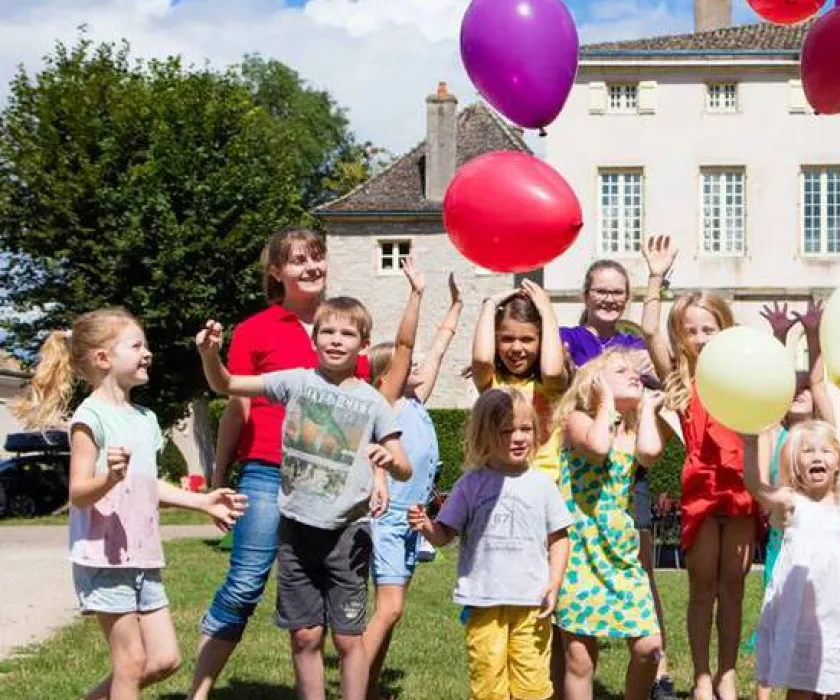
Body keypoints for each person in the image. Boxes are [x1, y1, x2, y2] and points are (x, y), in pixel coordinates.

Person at [13, 308, 246, 700]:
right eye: (136, 345)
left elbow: (148, 484)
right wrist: (109, 479)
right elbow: (78, 492)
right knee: (131, 662)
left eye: (147, 345)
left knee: (165, 660)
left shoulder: (144, 418)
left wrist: (202, 501)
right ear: (103, 358)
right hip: (103, 559)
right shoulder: (91, 418)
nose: (148, 353)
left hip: (142, 555)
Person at [196, 297, 413, 700]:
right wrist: (211, 356)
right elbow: (226, 384)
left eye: (347, 333)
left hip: (348, 537)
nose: (336, 340)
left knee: (349, 641)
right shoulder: (295, 381)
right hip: (295, 531)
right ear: (315, 340)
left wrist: (389, 461)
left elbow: (404, 464)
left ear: (363, 345)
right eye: (327, 332)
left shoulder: (373, 402)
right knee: (305, 636)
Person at [189, 228, 370, 700]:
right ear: (276, 272)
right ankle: (200, 689)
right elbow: (235, 403)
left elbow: (362, 417)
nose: (311, 267)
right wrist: (216, 481)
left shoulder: (345, 331)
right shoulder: (255, 330)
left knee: (332, 602)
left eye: (317, 257)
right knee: (246, 581)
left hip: (329, 486)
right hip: (268, 472)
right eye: (297, 261)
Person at [640, 234, 752, 700]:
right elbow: (648, 331)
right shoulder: (678, 377)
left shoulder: (746, 371)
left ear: (725, 329)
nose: (701, 338)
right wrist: (654, 277)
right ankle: (702, 675)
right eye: (692, 331)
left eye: (710, 329)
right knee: (702, 588)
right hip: (700, 490)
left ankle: (727, 672)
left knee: (734, 589)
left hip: (743, 490)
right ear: (681, 337)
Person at [559, 259, 675, 698]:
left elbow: (649, 451)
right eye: (623, 373)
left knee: (648, 646)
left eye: (636, 375)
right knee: (581, 657)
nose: (636, 377)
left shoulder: (632, 424)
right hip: (583, 546)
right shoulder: (575, 420)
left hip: (620, 548)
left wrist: (645, 408)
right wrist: (605, 397)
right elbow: (598, 446)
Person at [410, 388, 574, 700]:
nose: (519, 437)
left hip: (532, 602)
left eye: (526, 429)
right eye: (506, 430)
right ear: (486, 436)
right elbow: (445, 533)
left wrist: (554, 584)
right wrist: (427, 528)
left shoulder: (542, 484)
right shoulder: (471, 484)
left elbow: (559, 538)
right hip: (484, 600)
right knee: (488, 681)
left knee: (533, 684)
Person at [363, 263, 463, 697]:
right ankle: (354, 685)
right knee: (389, 609)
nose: (419, 364)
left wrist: (457, 306)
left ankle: (366, 685)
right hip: (386, 518)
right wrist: (417, 294)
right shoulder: (387, 405)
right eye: (409, 364)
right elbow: (406, 343)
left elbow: (437, 349)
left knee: (392, 614)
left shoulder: (416, 402)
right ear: (387, 376)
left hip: (410, 522)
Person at [745, 420, 840, 697]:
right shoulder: (790, 501)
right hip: (800, 607)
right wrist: (751, 441)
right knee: (802, 684)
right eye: (807, 451)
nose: (817, 456)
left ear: (838, 462)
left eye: (825, 450)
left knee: (839, 682)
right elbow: (755, 485)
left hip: (836, 607)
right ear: (795, 464)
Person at [749, 301, 834, 668]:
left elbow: (818, 381)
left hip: (824, 539)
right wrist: (780, 338)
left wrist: (813, 335)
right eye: (792, 385)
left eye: (804, 386)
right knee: (778, 608)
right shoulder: (773, 429)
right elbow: (773, 382)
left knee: (818, 616)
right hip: (784, 536)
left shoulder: (824, 433)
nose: (799, 390)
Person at [473, 280, 569, 483]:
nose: (516, 348)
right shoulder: (492, 384)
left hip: (545, 485)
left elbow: (551, 369)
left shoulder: (552, 385)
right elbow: (482, 359)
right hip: (498, 485)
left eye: (527, 339)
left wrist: (547, 310)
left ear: (542, 341)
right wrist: (490, 305)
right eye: (507, 339)